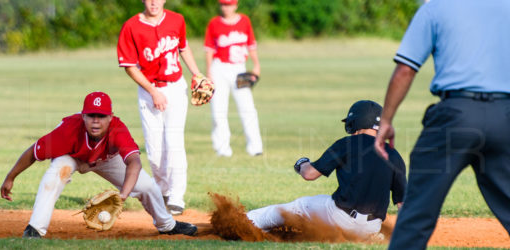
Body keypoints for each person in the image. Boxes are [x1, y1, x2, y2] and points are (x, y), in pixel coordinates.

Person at [374, 1, 510, 249]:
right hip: (505, 116)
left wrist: (386, 120)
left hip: (455, 115)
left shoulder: (435, 8)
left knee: (417, 212)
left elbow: (406, 69)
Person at [0, 92, 198, 238]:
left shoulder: (117, 130)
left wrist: (122, 196)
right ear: (83, 116)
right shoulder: (68, 130)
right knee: (56, 173)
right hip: (73, 156)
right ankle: (35, 228)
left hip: (106, 158)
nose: (96, 121)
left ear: (110, 117)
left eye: (101, 116)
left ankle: (167, 225)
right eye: (91, 115)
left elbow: (134, 162)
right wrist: (10, 177)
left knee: (146, 186)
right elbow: (33, 152)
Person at [247, 100, 406, 240]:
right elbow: (403, 204)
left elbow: (309, 174)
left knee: (298, 207)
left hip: (341, 218)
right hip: (372, 227)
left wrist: (302, 163)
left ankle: (246, 222)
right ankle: (367, 237)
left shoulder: (347, 143)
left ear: (357, 122)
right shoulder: (394, 155)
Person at [117, 0, 204, 215]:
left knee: (174, 142)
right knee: (155, 151)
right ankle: (163, 190)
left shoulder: (177, 20)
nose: (154, 2)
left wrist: (197, 73)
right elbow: (129, 67)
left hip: (175, 88)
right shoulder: (131, 27)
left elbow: (183, 47)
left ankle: (176, 196)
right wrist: (153, 91)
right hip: (148, 91)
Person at [204, 0, 262, 157]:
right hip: (219, 68)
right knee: (218, 109)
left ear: (236, 5)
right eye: (223, 4)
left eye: (229, 4)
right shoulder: (214, 23)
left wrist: (256, 65)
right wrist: (209, 72)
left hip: (239, 69)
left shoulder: (244, 21)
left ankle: (255, 147)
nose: (226, 7)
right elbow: (209, 49)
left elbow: (251, 44)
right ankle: (222, 148)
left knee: (247, 107)